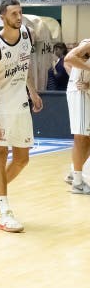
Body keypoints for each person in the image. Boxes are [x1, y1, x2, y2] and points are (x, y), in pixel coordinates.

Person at [0, 0, 43, 233]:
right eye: (14, 14)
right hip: (0, 107)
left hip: (20, 105)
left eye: (20, 12)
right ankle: (5, 212)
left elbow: (24, 66)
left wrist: (33, 91)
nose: (19, 17)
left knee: (22, 159)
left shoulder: (26, 34)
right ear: (2, 17)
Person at [64, 40, 90, 193]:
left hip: (86, 91)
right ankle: (78, 183)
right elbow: (68, 60)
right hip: (79, 93)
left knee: (88, 138)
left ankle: (74, 172)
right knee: (81, 137)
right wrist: (75, 80)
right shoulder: (88, 44)